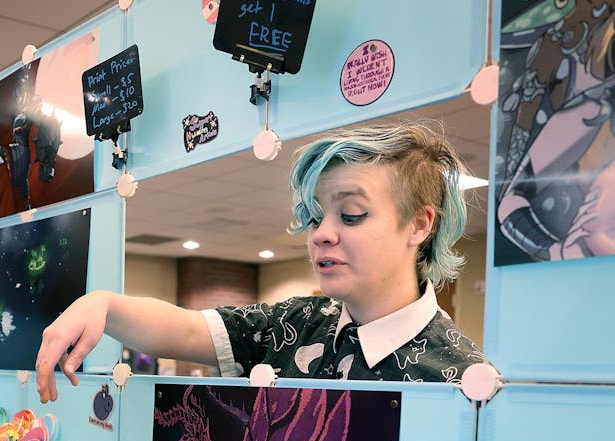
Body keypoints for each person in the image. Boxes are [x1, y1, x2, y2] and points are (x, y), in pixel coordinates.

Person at [36, 122, 489, 401]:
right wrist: (103, 305)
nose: (322, 234)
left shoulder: (462, 381)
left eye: (351, 215)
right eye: (315, 216)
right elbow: (186, 329)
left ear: (419, 225)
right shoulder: (296, 324)